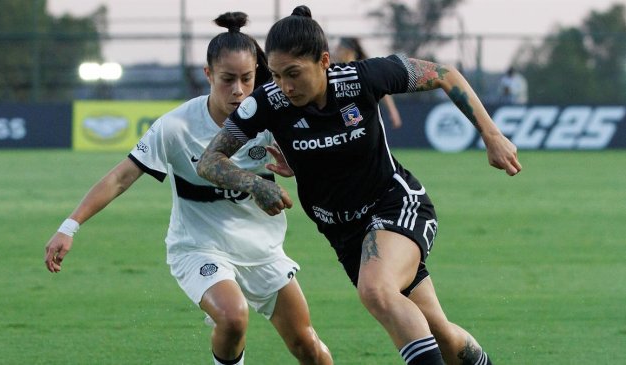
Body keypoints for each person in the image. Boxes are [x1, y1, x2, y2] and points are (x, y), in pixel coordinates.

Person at [197, 5, 522, 365]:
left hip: (395, 205)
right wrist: (255, 185)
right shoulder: (266, 102)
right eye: (274, 75)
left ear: (324, 61)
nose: (285, 86)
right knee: (438, 331)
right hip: (345, 234)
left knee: (376, 289)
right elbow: (210, 161)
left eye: (294, 73)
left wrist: (491, 135)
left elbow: (445, 74)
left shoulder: (363, 78)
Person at [43, 11, 332, 365]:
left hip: (262, 250)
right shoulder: (176, 127)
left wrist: (297, 167)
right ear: (208, 74)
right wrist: (68, 226)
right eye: (227, 79)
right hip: (199, 249)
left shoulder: (272, 119)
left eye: (246, 78)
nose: (238, 90)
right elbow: (121, 177)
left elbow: (320, 163)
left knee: (309, 347)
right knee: (232, 315)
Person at [333, 37, 404, 129]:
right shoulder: (336, 71)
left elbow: (382, 88)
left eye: (339, 49)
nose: (336, 52)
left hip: (364, 120)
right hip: (346, 120)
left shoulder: (364, 70)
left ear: (348, 51)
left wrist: (393, 112)